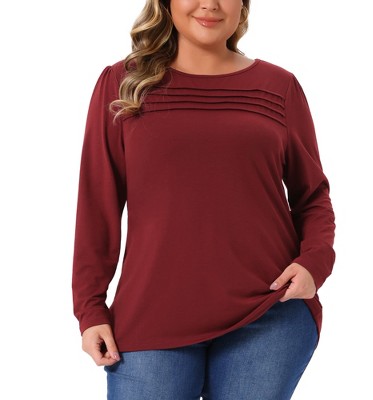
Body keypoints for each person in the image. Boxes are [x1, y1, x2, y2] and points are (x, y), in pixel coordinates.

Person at [72, 0, 336, 399]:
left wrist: (315, 263)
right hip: (152, 314)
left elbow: (312, 195)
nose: (209, 4)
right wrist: (90, 308)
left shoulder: (279, 86)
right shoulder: (122, 83)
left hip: (269, 310)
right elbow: (97, 205)